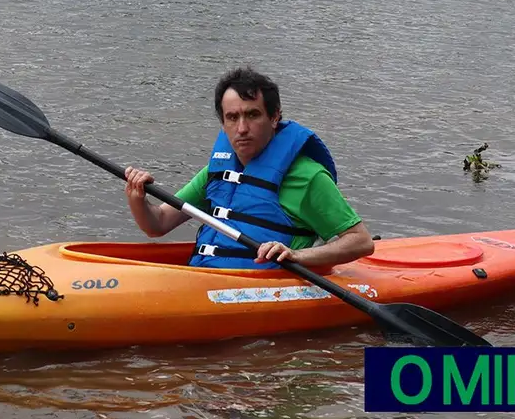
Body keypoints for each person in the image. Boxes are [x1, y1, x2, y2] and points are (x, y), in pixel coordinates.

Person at [123, 66, 374, 270]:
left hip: (261, 287)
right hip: (205, 276)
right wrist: (137, 198)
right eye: (232, 118)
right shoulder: (217, 170)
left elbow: (361, 242)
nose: (242, 128)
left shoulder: (308, 177)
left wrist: (297, 256)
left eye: (252, 115)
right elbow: (158, 224)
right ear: (223, 123)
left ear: (274, 117)